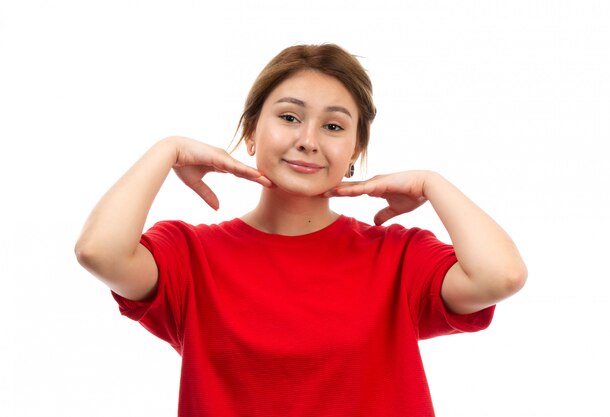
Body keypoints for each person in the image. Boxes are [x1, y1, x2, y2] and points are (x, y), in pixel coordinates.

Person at [75, 44, 527, 417]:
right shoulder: (190, 255)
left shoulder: (398, 256)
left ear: (354, 151)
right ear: (251, 133)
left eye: (333, 126)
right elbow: (99, 252)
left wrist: (434, 183)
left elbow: (501, 276)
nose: (309, 139)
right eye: (289, 117)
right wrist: (167, 150)